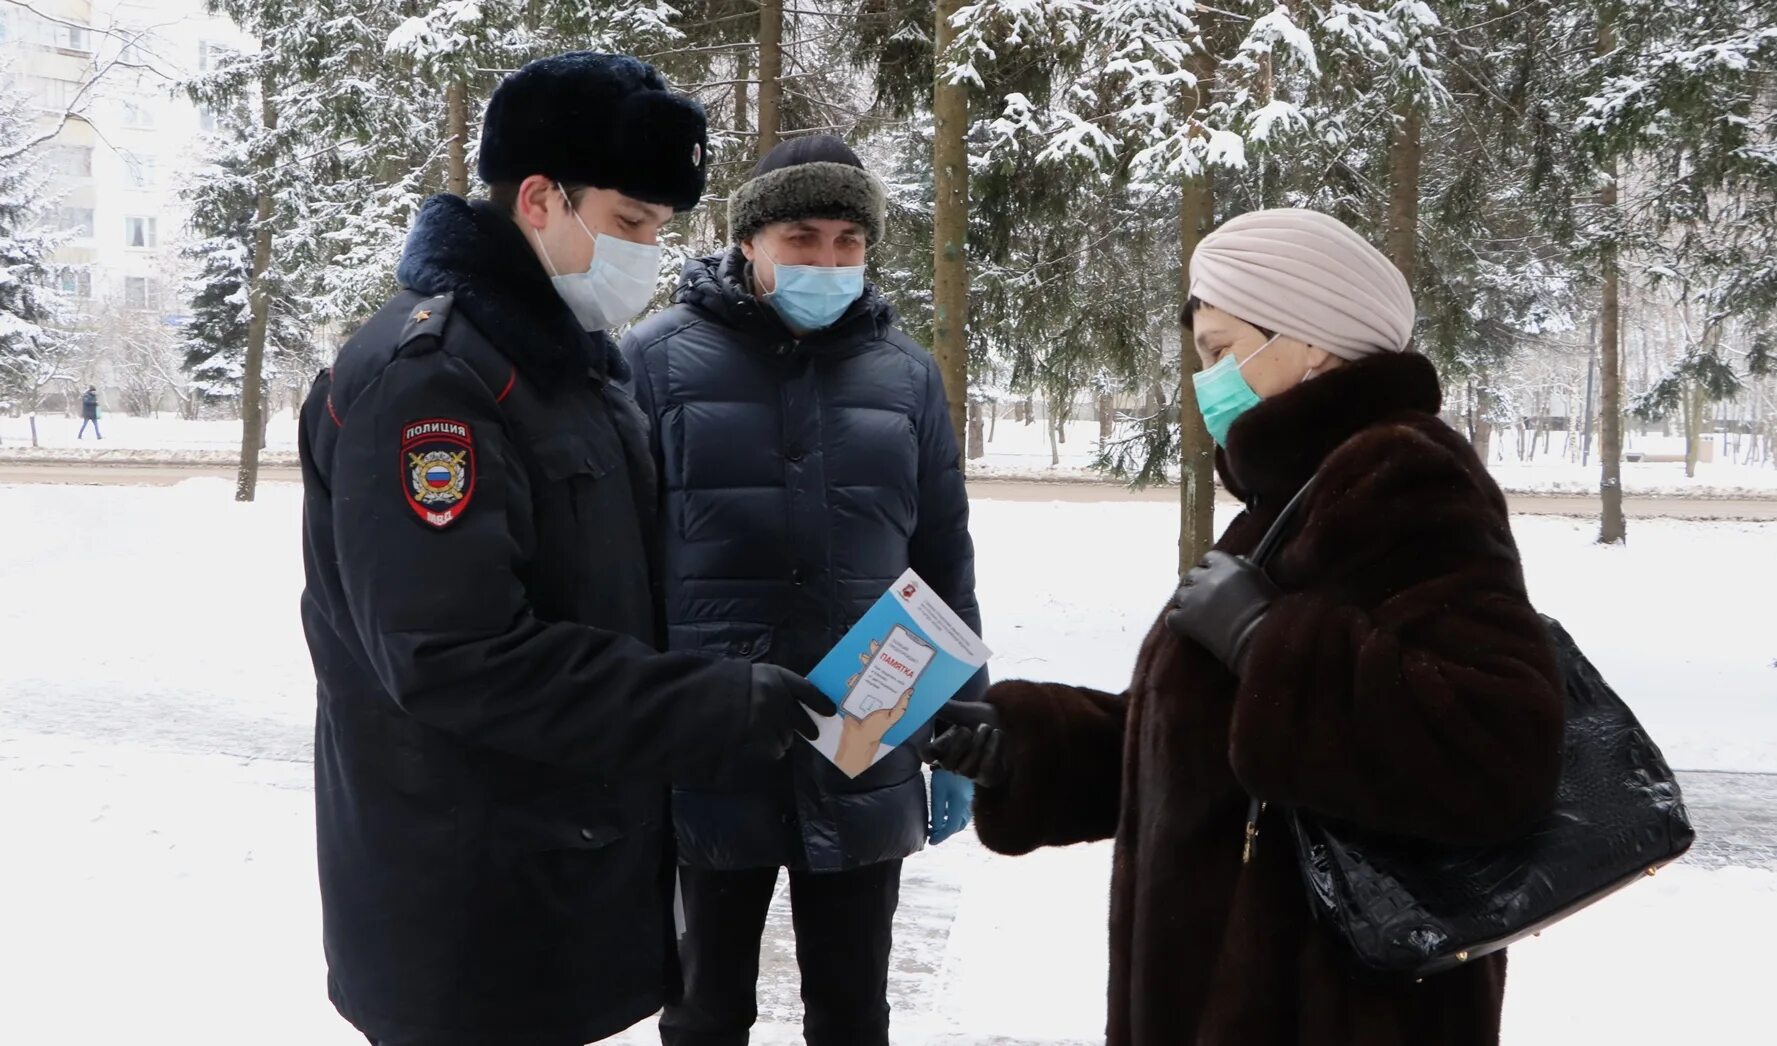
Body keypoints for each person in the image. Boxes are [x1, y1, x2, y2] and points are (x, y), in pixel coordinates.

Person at [926, 209, 1565, 1045]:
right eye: (1202, 356)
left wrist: (1268, 641)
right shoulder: (1293, 497)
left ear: (1313, 341)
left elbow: (1498, 751)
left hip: (1336, 1007)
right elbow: (1210, 734)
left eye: (1225, 351)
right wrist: (1030, 746)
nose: (1209, 380)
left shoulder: (1402, 474)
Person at [296, 53, 833, 1046]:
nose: (650, 254)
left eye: (661, 230)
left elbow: (606, 590)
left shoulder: (565, 372)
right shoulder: (431, 382)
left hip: (553, 874)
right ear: (541, 199)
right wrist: (700, 703)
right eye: (631, 224)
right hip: (462, 911)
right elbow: (451, 652)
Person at [621, 135, 985, 1046]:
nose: (827, 261)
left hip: (868, 741)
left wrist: (965, 715)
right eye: (800, 236)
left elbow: (942, 552)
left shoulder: (906, 376)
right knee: (704, 1007)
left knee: (853, 1009)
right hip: (707, 744)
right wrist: (626, 723)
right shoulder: (652, 362)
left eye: (846, 241)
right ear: (748, 241)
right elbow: (615, 563)